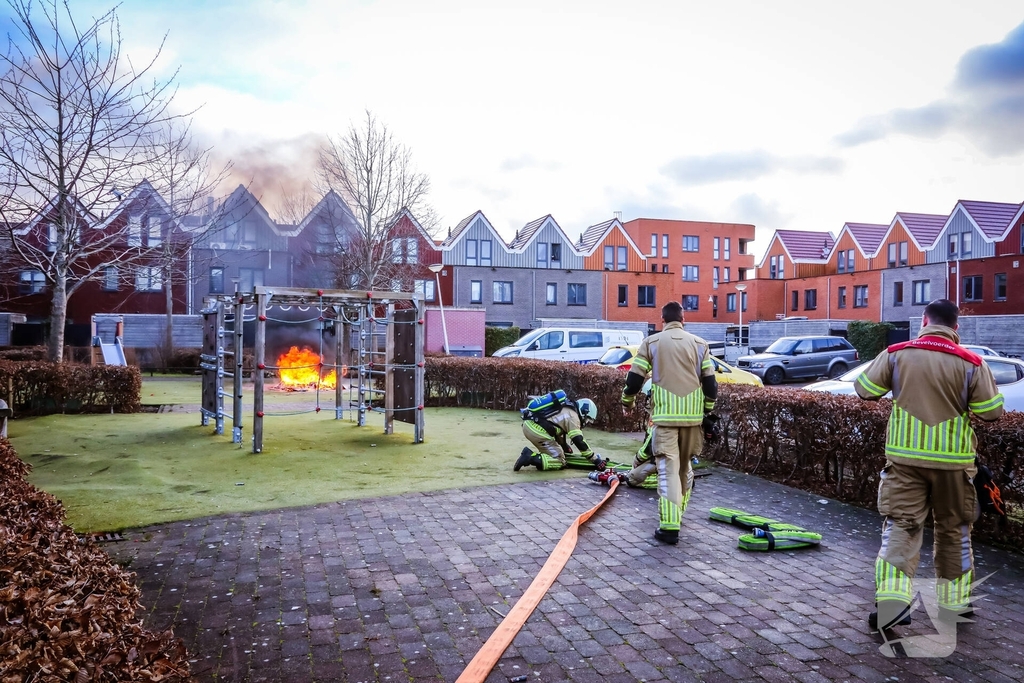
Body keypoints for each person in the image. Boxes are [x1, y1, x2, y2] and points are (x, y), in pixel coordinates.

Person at [855, 299, 1004, 630]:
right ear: (956, 327)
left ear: (924, 321)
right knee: (955, 532)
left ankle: (893, 606)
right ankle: (956, 605)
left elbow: (864, 390)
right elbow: (992, 411)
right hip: (955, 466)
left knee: (901, 528)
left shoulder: (896, 353)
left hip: (905, 462)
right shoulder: (972, 363)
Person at [620, 301, 717, 545]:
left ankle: (670, 526)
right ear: (683, 320)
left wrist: (627, 402)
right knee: (685, 469)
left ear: (662, 320)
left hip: (665, 419)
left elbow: (634, 379)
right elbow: (711, 386)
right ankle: (678, 515)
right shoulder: (700, 344)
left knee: (667, 471)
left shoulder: (652, 343)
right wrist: (706, 411)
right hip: (693, 420)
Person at [514, 394, 606, 472]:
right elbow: (579, 441)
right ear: (584, 412)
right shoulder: (574, 417)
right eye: (587, 419)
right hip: (536, 430)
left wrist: (564, 446)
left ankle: (533, 457)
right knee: (560, 461)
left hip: (529, 425)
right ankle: (530, 457)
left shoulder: (567, 408)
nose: (586, 422)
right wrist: (596, 460)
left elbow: (554, 426)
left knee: (553, 454)